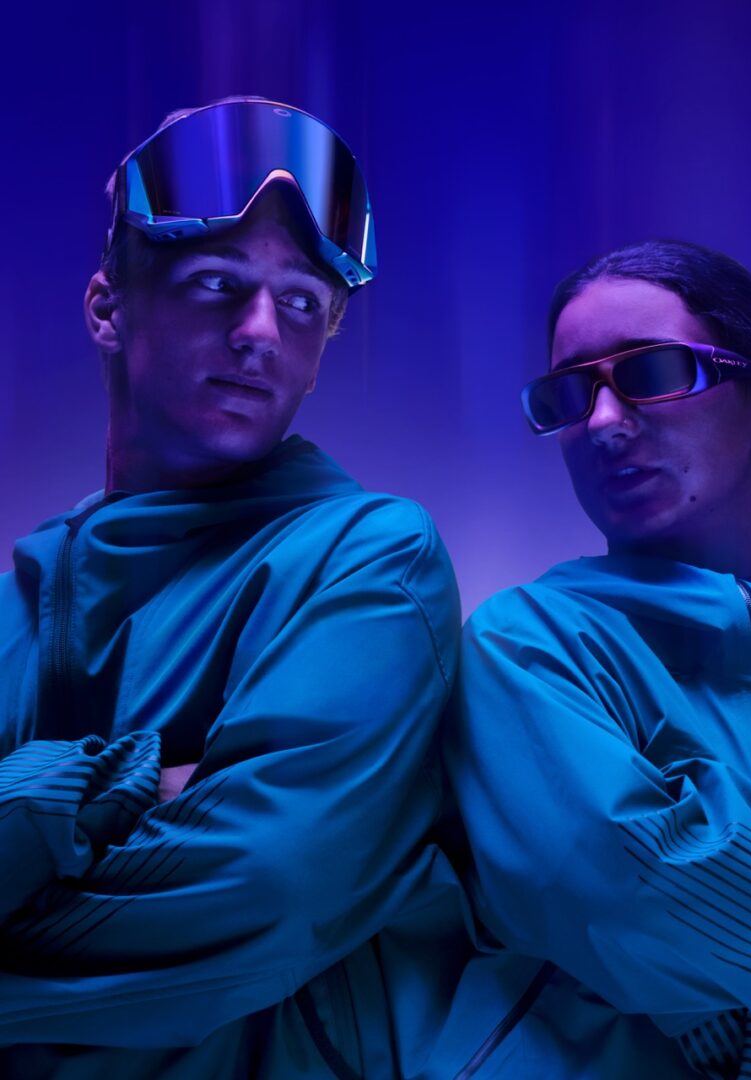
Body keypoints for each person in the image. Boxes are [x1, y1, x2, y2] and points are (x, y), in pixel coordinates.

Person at [0, 97, 469, 1078]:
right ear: (107, 309)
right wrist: (137, 784)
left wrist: (32, 804)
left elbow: (269, 884)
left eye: (300, 302)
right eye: (217, 283)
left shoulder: (368, 558)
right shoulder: (16, 608)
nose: (261, 332)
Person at [447, 239, 751, 1077]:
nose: (601, 422)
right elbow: (631, 898)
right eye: (572, 393)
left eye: (651, 373)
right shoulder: (525, 643)